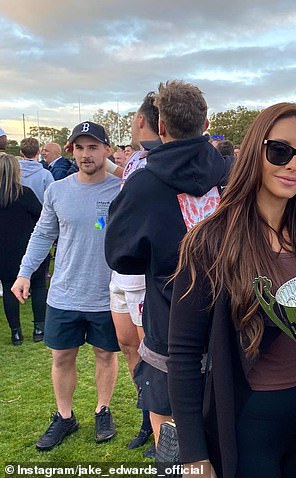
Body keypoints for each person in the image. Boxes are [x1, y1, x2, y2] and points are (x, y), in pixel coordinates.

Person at [168, 102, 296, 478]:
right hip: (249, 422)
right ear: (256, 149)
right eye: (280, 151)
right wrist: (193, 454)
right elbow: (184, 353)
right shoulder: (211, 241)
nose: (293, 166)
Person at [105, 80, 231, 448]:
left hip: (170, 326)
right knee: (223, 434)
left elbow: (119, 256)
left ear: (160, 127)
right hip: (228, 322)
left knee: (172, 442)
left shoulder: (142, 185)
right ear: (206, 123)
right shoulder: (232, 175)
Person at [11, 121, 121, 451]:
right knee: (62, 357)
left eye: (93, 146)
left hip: (106, 293)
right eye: (80, 147)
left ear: (106, 150)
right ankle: (64, 416)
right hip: (64, 292)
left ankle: (103, 409)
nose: (86, 154)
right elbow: (43, 234)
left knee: (105, 354)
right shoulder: (57, 190)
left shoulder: (121, 190)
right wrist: (24, 272)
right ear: (71, 150)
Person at [108, 91, 161, 454]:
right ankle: (146, 417)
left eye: (131, 120)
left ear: (142, 120)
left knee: (151, 353)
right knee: (128, 345)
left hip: (144, 274)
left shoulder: (161, 161)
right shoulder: (133, 161)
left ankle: (161, 423)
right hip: (121, 274)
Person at [0, 153, 45, 344]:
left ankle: (16, 332)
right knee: (38, 285)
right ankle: (39, 328)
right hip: (28, 249)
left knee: (10, 288)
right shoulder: (24, 194)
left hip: (4, 252)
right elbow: (42, 217)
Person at [18, 137, 54, 204]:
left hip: (17, 211)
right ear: (39, 151)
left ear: (21, 152)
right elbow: (52, 197)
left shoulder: (13, 173)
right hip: (39, 212)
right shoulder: (46, 174)